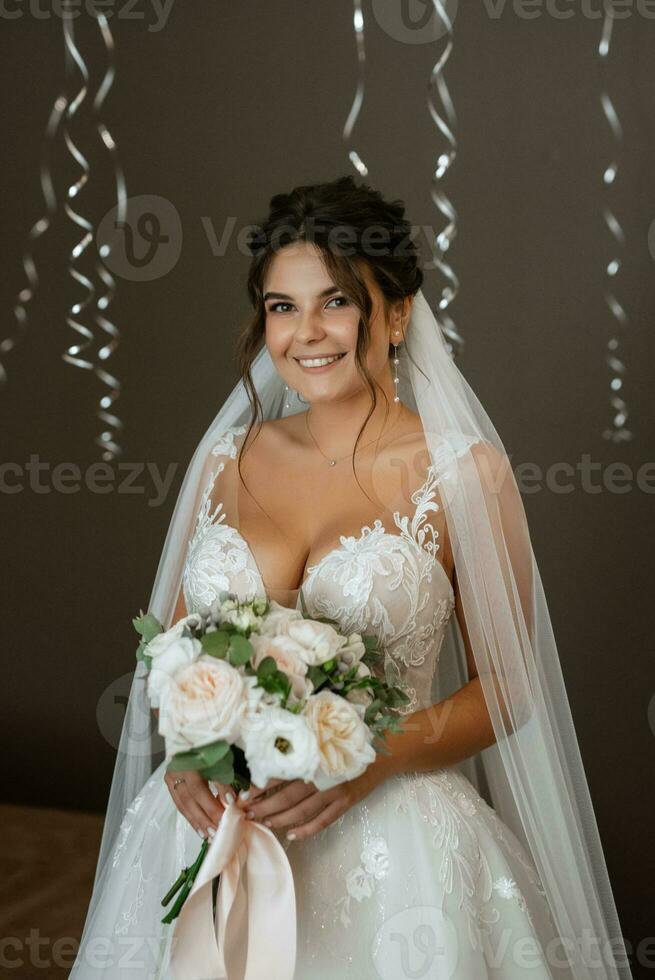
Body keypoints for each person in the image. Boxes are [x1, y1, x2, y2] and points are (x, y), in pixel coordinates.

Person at [70, 176, 632, 979]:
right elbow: (173, 647)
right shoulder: (225, 462)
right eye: (281, 306)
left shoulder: (461, 472)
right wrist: (193, 748)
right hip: (212, 828)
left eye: (335, 302)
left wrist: (377, 754)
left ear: (397, 313)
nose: (307, 333)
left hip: (392, 846)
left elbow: (509, 684)